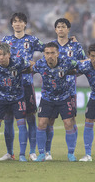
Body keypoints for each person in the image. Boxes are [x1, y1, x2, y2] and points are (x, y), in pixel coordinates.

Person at [0, 12, 44, 161]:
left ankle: (32, 152)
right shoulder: (5, 41)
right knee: (8, 119)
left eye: (21, 21)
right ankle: (10, 152)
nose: (17, 24)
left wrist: (36, 65)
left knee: (30, 118)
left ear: (25, 24)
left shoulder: (32, 40)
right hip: (9, 86)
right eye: (15, 21)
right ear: (12, 24)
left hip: (26, 84)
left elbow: (49, 50)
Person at [45, 18, 87, 161]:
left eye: (63, 27)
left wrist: (74, 71)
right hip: (51, 91)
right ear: (55, 30)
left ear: (68, 29)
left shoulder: (75, 46)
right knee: (49, 121)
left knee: (70, 121)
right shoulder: (50, 46)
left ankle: (71, 153)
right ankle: (47, 152)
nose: (61, 29)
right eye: (58, 27)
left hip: (69, 90)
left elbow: (84, 63)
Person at [32, 42, 79, 162]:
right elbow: (28, 69)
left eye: (53, 53)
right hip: (47, 98)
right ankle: (42, 153)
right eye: (47, 53)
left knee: (68, 123)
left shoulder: (67, 62)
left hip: (64, 97)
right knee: (42, 123)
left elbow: (81, 66)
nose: (50, 56)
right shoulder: (40, 64)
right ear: (44, 54)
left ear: (58, 53)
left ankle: (71, 154)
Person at [78, 44, 95, 162]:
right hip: (94, 97)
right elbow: (72, 68)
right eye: (93, 56)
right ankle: (88, 154)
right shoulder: (86, 65)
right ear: (89, 56)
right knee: (88, 121)